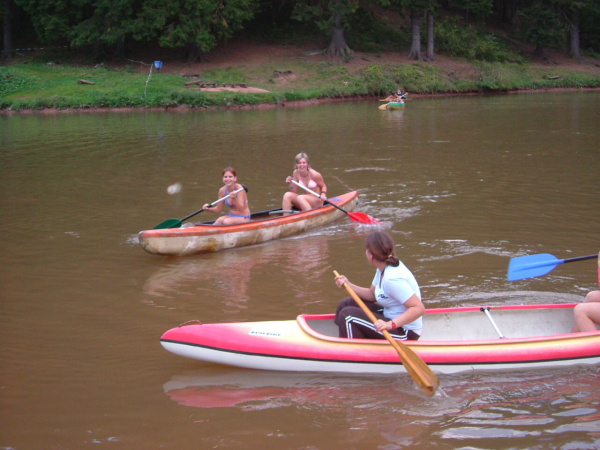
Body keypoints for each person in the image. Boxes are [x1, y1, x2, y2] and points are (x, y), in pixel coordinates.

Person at [333, 231, 425, 340]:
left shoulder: (392, 279)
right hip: (388, 315)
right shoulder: (382, 268)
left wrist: (390, 324)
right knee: (346, 304)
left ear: (370, 255)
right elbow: (372, 295)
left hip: (404, 331)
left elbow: (419, 308)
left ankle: (352, 347)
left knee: (348, 315)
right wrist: (348, 285)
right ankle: (348, 337)